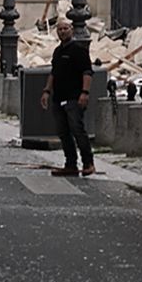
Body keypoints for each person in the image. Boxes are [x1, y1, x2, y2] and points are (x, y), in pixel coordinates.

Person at [41, 18, 95, 177]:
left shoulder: (79, 50)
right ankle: (70, 164)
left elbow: (87, 73)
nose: (62, 32)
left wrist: (85, 93)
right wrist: (46, 91)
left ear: (71, 29)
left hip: (74, 97)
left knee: (77, 130)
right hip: (58, 97)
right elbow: (53, 73)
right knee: (63, 132)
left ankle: (88, 163)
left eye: (65, 29)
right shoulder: (57, 52)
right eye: (60, 29)